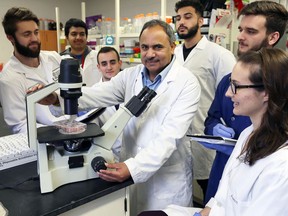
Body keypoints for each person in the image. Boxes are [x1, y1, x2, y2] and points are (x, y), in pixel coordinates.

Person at [29, 19, 201, 215]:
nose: (150, 54)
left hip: (166, 181)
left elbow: (169, 138)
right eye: (144, 47)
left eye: (157, 47)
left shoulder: (187, 83)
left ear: (172, 46)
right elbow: (97, 94)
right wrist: (57, 98)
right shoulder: (131, 75)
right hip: (129, 174)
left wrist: (132, 167)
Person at [140, 47, 288, 216]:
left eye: (236, 86)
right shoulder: (249, 134)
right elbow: (223, 197)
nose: (228, 93)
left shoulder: (282, 166)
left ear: (266, 92)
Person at [203, 0, 288, 204]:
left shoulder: (282, 85)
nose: (240, 36)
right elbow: (211, 120)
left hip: (262, 180)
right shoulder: (228, 81)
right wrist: (214, 128)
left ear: (273, 37)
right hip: (224, 174)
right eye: (240, 29)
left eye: (250, 31)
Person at [174, 0, 236, 200]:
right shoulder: (172, 54)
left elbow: (231, 97)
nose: (181, 22)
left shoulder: (219, 55)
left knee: (212, 191)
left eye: (187, 16)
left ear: (201, 20)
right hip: (177, 133)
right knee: (181, 188)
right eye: (178, 18)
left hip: (206, 133)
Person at [0, 7, 64, 134]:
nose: (34, 38)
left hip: (77, 124)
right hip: (49, 142)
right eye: (27, 34)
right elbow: (20, 125)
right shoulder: (9, 78)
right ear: (10, 38)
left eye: (36, 32)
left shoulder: (54, 58)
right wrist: (57, 133)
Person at [60, 18, 101, 87]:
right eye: (74, 34)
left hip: (94, 97)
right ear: (67, 37)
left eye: (82, 34)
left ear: (86, 36)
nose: (78, 37)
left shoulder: (98, 57)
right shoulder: (60, 59)